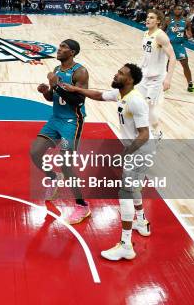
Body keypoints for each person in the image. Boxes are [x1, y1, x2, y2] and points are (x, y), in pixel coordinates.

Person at [59, 63, 153, 261]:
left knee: (124, 193)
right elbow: (99, 95)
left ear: (129, 80)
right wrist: (77, 89)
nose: (116, 74)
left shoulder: (135, 101)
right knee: (133, 189)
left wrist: (126, 153)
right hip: (135, 149)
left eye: (120, 73)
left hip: (139, 150)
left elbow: (144, 133)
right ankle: (142, 222)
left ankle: (126, 245)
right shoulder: (121, 94)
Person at [30, 40, 91, 224]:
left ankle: (82, 205)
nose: (59, 49)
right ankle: (53, 177)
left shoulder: (80, 72)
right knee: (35, 152)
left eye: (64, 47)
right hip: (55, 120)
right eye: (59, 46)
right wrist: (45, 91)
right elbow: (52, 97)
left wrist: (55, 85)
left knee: (66, 163)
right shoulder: (57, 70)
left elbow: (79, 100)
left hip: (71, 124)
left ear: (72, 52)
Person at [139, 9, 176, 139]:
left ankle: (152, 134)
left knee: (149, 108)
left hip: (156, 79)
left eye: (152, 17)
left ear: (158, 21)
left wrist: (168, 79)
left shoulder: (161, 36)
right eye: (147, 17)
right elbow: (146, 56)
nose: (148, 19)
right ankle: (151, 131)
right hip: (144, 77)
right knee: (140, 106)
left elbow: (172, 57)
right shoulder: (145, 33)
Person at [166, 5, 194, 93]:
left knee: (185, 65)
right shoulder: (168, 20)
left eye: (180, 9)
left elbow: (190, 34)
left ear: (182, 11)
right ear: (173, 10)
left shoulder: (186, 21)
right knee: (166, 65)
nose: (178, 10)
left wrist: (189, 34)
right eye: (176, 8)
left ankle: (190, 86)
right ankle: (164, 84)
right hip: (168, 45)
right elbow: (161, 31)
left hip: (179, 46)